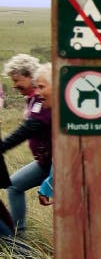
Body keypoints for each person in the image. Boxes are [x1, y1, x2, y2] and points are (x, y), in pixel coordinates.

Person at [1, 54, 52, 237]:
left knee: (14, 186)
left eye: (17, 80)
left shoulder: (41, 99)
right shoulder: (33, 99)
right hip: (44, 162)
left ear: (29, 75)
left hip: (56, 163)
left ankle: (17, 239)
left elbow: (30, 127)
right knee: (14, 186)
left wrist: (3, 146)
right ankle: (17, 236)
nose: (14, 85)